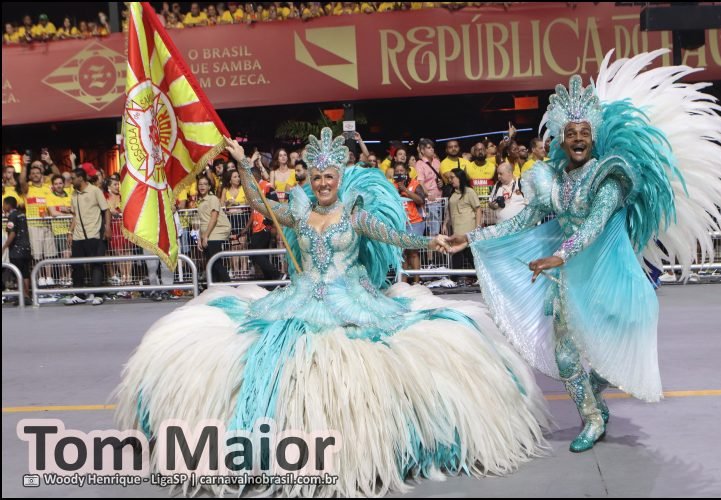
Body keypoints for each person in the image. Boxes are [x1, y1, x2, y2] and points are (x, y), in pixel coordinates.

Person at [115, 128, 550, 497]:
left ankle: (364, 446)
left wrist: (430, 243)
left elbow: (394, 237)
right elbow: (261, 206)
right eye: (317, 177)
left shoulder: (355, 216)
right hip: (302, 298)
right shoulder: (300, 213)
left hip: (351, 300)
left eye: (329, 177)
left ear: (339, 178)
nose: (323, 183)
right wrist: (244, 166)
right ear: (311, 179)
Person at [448, 50, 721, 453]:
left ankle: (599, 397)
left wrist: (561, 254)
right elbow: (523, 219)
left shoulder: (609, 178)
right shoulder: (550, 181)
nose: (578, 139)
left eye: (584, 132)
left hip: (606, 271)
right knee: (567, 358)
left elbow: (593, 226)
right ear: (562, 139)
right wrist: (473, 238)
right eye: (571, 133)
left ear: (594, 136)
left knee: (612, 351)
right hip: (568, 275)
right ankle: (591, 416)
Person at [65, 167, 110, 306]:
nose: (70, 181)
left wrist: (107, 227)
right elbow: (75, 215)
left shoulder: (95, 191)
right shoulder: (74, 194)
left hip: (94, 233)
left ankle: (98, 294)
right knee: (77, 265)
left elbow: (106, 210)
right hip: (78, 236)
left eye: (73, 178)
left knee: (96, 264)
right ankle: (79, 294)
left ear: (81, 178)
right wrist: (70, 232)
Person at [2, 196, 32, 304]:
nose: (3, 206)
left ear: (8, 205)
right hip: (26, 248)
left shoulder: (12, 216)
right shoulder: (22, 214)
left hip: (17, 249)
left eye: (4, 204)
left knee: (18, 273)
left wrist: (4, 246)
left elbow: (12, 233)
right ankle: (27, 296)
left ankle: (22, 297)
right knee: (25, 273)